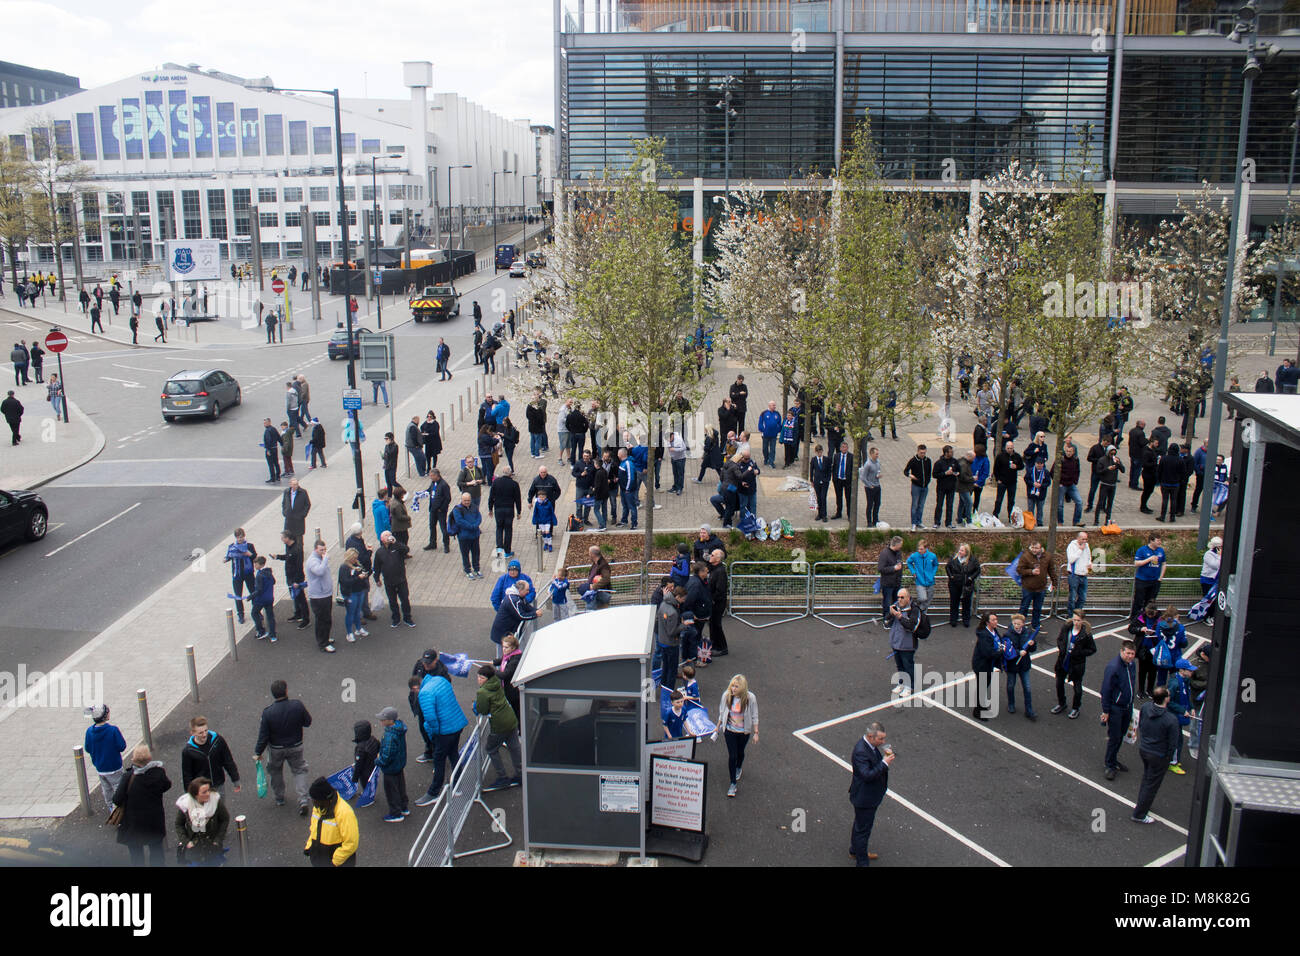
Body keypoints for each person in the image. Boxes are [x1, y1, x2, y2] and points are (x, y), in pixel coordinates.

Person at [413, 655, 469, 807]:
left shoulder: (424, 694)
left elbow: (430, 719)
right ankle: (457, 783)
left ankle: (433, 792)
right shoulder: (441, 680)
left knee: (439, 759)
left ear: (417, 687)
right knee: (453, 754)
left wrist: (433, 734)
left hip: (444, 731)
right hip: (457, 724)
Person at [113, 744, 172, 866]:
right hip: (154, 821)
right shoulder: (159, 773)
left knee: (136, 856)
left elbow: (117, 799)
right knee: (156, 852)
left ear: (134, 759)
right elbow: (167, 785)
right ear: (149, 758)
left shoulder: (128, 777)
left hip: (133, 824)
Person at [1131, 686, 1180, 824]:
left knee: (1147, 778)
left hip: (1145, 749)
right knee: (1151, 784)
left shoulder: (1146, 707)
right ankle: (1140, 813)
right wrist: (1168, 758)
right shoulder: (1170, 720)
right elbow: (1173, 744)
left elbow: (1141, 724)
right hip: (1159, 754)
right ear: (1166, 699)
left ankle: (1141, 804)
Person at [848, 721, 893, 866]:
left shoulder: (870, 746)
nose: (883, 742)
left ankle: (855, 850)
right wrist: (884, 763)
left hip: (867, 795)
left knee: (860, 826)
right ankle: (862, 862)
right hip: (865, 798)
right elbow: (866, 775)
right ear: (870, 736)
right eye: (880, 739)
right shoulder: (861, 751)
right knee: (863, 831)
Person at [475, 664, 522, 790]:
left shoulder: (482, 692)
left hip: (499, 725)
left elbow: (483, 710)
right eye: (478, 677)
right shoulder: (497, 683)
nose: (479, 680)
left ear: (487, 679)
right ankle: (521, 773)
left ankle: (502, 777)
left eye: (481, 678)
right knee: (514, 747)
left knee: (491, 749)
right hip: (511, 720)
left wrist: (476, 706)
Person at [1100, 640, 1139, 779]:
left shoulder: (1131, 665)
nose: (1130, 656)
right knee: (1114, 737)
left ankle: (1113, 759)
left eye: (1132, 654)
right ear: (1121, 652)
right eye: (1127, 653)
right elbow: (1106, 690)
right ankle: (1109, 764)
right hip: (1116, 708)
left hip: (1127, 706)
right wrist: (1106, 710)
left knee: (1120, 735)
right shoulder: (1113, 667)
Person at [716, 675, 759, 798]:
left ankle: (739, 767)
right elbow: (722, 712)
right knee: (732, 755)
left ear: (742, 688)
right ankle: (732, 784)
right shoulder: (726, 695)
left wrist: (756, 732)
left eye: (736, 686)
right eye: (732, 686)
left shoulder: (750, 698)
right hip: (729, 731)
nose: (733, 689)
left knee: (740, 752)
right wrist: (717, 726)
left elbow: (755, 715)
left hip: (743, 732)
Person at [173, 777, 230, 866]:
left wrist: (218, 840)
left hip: (212, 849)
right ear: (196, 794)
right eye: (204, 792)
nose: (208, 794)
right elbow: (179, 824)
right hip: (194, 851)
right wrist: (186, 842)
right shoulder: (186, 805)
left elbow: (225, 819)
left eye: (208, 790)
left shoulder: (215, 802)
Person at [304, 777, 359, 866]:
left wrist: (334, 862)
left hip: (338, 863)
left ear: (326, 799)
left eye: (316, 801)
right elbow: (314, 829)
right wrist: (309, 846)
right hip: (320, 859)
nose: (314, 803)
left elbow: (351, 843)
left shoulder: (344, 812)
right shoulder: (318, 808)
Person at [85, 703, 128, 813]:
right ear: (105, 715)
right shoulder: (113, 730)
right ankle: (120, 809)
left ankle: (110, 807)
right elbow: (122, 746)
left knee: (106, 789)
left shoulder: (89, 732)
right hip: (114, 766)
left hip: (100, 768)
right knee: (118, 787)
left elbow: (88, 748)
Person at [1052, 611, 1096, 719]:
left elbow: (1092, 649)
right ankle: (1062, 703)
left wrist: (1079, 653)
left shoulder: (1086, 634)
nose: (1076, 622)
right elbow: (1060, 639)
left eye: (1078, 620)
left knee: (1077, 687)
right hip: (1063, 660)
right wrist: (1062, 648)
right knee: (1059, 683)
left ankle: (1076, 708)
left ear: (1083, 620)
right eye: (1074, 620)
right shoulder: (1066, 628)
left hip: (1076, 664)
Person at [373, 531, 415, 628]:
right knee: (392, 601)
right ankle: (395, 619)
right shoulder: (380, 552)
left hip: (401, 580)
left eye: (389, 535)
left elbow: (406, 550)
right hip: (389, 581)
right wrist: (377, 579)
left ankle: (407, 618)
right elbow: (376, 566)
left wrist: (396, 543)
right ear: (382, 539)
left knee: (404, 599)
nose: (389, 537)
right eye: (386, 536)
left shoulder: (397, 547)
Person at [1002, 612, 1037, 719]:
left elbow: (1033, 649)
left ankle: (1029, 709)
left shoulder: (1028, 633)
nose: (1016, 626)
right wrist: (1018, 652)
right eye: (1014, 623)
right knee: (1011, 685)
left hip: (1024, 664)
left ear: (1023, 624)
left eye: (1018, 624)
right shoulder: (1007, 634)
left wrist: (1032, 644)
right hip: (1012, 664)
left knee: (1027, 687)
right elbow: (1007, 649)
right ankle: (1011, 704)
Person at [1016, 541, 1056, 631]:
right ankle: (1019, 624)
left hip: (1041, 588)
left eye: (1036, 548)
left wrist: (1054, 582)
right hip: (1028, 587)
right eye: (1032, 548)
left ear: (1041, 548)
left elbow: (1051, 570)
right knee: (1024, 607)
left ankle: (1036, 624)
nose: (1034, 550)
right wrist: (1031, 572)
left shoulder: (1047, 556)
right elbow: (1019, 570)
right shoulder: (1025, 556)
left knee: (1038, 608)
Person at [304, 541, 336, 653]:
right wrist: (326, 559)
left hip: (325, 594)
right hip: (318, 596)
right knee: (322, 620)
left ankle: (325, 638)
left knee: (327, 619)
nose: (323, 552)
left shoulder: (320, 558)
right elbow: (320, 571)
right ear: (315, 549)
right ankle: (323, 643)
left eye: (324, 549)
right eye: (321, 550)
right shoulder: (312, 561)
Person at [888, 588, 921, 694]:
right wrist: (889, 614)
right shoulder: (895, 606)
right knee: (900, 666)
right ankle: (901, 683)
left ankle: (910, 686)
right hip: (896, 643)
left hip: (908, 645)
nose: (899, 599)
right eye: (898, 597)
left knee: (908, 666)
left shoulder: (914, 609)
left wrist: (899, 616)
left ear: (908, 598)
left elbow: (911, 626)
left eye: (902, 597)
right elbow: (886, 623)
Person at [971, 613, 1001, 720]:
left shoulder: (993, 631)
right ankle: (978, 711)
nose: (996, 621)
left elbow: (998, 642)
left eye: (996, 619)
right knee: (982, 687)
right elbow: (988, 653)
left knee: (984, 686)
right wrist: (1001, 652)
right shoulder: (984, 635)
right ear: (987, 622)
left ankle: (981, 706)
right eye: (993, 620)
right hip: (982, 666)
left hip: (988, 665)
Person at [487, 465, 522, 556]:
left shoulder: (496, 482)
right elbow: (517, 499)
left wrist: (490, 508)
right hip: (509, 510)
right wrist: (519, 511)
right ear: (510, 473)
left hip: (498, 509)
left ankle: (499, 549)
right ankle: (507, 551)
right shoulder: (514, 484)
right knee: (508, 530)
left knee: (499, 528)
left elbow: (491, 496)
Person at [449, 491, 483, 579]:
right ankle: (467, 570)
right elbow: (460, 521)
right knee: (465, 554)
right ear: (461, 500)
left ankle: (476, 569)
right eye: (465, 500)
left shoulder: (474, 507)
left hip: (475, 535)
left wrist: (475, 525)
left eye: (468, 500)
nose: (467, 502)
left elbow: (479, 517)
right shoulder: (457, 509)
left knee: (476, 553)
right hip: (464, 536)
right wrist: (472, 526)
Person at [945, 543, 980, 628]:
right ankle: (953, 620)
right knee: (954, 602)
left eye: (962, 550)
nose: (960, 552)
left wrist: (971, 578)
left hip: (967, 585)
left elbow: (978, 570)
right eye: (959, 550)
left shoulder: (972, 560)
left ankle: (966, 620)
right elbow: (947, 567)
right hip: (954, 584)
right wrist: (951, 576)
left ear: (966, 552)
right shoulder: (954, 558)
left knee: (966, 603)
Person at [1131, 533, 1166, 618]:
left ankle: (1147, 616)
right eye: (1158, 540)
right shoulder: (1142, 550)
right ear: (1151, 540)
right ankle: (1135, 617)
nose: (1159, 542)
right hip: (1142, 580)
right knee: (1139, 600)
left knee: (1150, 600)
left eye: (1160, 540)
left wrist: (1160, 578)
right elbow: (1136, 563)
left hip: (1155, 580)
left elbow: (1164, 564)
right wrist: (1149, 559)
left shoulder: (1161, 550)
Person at [903, 444, 931, 531]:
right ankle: (913, 523)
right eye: (921, 453)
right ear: (918, 451)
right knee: (915, 505)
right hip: (916, 486)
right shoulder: (913, 460)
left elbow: (929, 472)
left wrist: (927, 482)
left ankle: (919, 521)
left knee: (921, 505)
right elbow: (905, 471)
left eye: (924, 453)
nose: (923, 454)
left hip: (925, 486)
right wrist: (911, 476)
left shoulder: (928, 460)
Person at [992, 440, 1023, 518]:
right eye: (1008, 448)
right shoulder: (1000, 456)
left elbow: (1022, 466)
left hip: (1012, 482)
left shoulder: (1017, 456)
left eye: (1011, 448)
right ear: (1005, 448)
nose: (1010, 450)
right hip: (1002, 481)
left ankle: (1011, 516)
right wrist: (998, 479)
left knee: (1011, 501)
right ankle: (995, 514)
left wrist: (1016, 467)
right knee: (999, 500)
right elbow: (996, 469)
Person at [706, 549, 730, 656]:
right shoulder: (714, 569)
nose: (710, 556)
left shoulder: (720, 572)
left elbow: (720, 590)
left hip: (717, 603)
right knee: (712, 624)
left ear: (718, 559)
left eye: (712, 555)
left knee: (716, 624)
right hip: (713, 602)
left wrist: (712, 599)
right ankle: (714, 644)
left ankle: (722, 647)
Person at [906, 539, 938, 615]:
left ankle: (922, 615)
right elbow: (908, 562)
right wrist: (913, 571)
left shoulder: (932, 556)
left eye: (921, 549)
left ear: (926, 548)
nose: (919, 551)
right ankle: (918, 609)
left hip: (930, 582)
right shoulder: (915, 556)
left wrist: (932, 574)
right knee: (923, 598)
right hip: (919, 581)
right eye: (918, 549)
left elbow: (936, 565)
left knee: (928, 600)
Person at [250, 556, 278, 642]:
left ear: (261, 564)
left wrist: (251, 596)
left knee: (254, 613)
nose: (254, 565)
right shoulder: (269, 572)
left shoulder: (259, 575)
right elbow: (274, 582)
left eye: (256, 564)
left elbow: (259, 589)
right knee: (270, 616)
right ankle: (273, 635)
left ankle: (261, 631)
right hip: (270, 598)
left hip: (261, 599)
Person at [878, 536, 904, 624]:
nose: (901, 547)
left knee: (896, 602)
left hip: (897, 582)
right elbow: (881, 568)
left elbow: (900, 563)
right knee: (887, 602)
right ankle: (886, 619)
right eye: (900, 545)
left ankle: (894, 618)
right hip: (888, 583)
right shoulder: (884, 553)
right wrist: (894, 568)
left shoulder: (898, 553)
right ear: (896, 545)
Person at [931, 444, 959, 528]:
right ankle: (937, 522)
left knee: (950, 505)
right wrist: (945, 473)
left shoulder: (954, 461)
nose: (952, 453)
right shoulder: (939, 463)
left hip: (951, 487)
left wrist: (956, 473)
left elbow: (958, 470)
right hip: (941, 487)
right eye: (951, 452)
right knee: (939, 505)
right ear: (946, 453)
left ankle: (948, 523)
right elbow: (934, 475)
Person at [1065, 530, 1092, 616]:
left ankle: (1077, 614)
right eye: (1083, 539)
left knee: (1083, 597)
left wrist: (1089, 564)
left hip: (1083, 575)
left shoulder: (1087, 546)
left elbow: (1088, 557)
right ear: (1078, 538)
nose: (1084, 541)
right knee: (1072, 597)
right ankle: (1070, 615)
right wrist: (1080, 550)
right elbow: (1071, 560)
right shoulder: (1071, 546)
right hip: (1074, 575)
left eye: (1086, 539)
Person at [858, 446, 882, 526]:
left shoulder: (878, 462)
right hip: (870, 488)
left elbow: (877, 471)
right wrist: (869, 485)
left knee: (878, 503)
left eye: (878, 454)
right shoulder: (868, 464)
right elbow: (863, 477)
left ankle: (875, 519)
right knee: (870, 504)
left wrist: (878, 476)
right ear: (871, 454)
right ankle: (869, 521)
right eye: (876, 454)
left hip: (877, 485)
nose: (877, 456)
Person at [261, 418, 281, 484]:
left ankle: (273, 478)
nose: (264, 424)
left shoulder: (267, 431)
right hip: (275, 448)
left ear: (269, 422)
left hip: (270, 449)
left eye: (265, 423)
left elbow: (268, 440)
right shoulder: (274, 429)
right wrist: (282, 444)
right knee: (276, 462)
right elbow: (279, 437)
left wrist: (268, 449)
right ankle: (278, 476)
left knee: (271, 464)